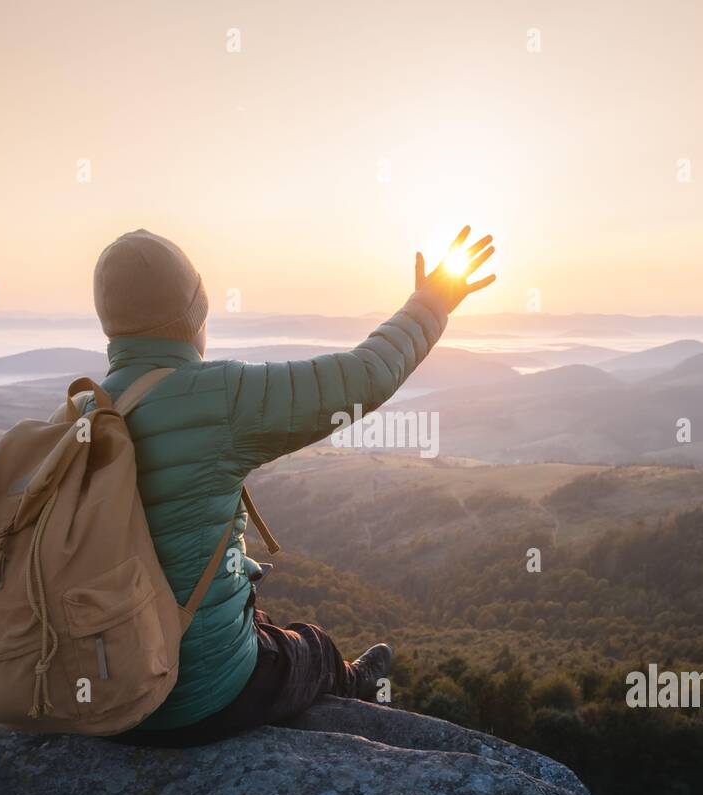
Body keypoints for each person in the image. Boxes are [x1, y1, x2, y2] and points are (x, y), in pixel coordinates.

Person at [92, 226, 495, 746]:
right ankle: (351, 686)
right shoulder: (220, 396)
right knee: (312, 647)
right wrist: (431, 302)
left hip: (101, 693)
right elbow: (364, 375)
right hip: (193, 700)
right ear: (195, 315)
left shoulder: (83, 410)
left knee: (248, 613)